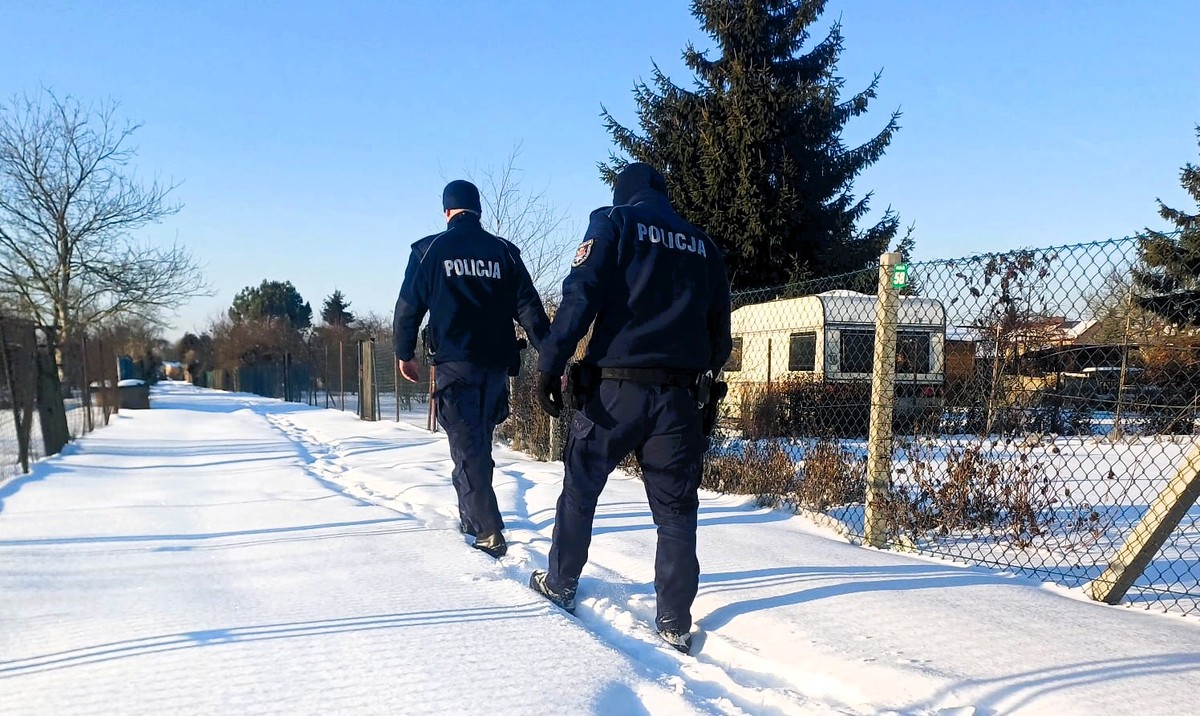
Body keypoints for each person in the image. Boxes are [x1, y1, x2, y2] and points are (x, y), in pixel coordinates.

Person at [528, 163, 732, 654]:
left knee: (581, 487)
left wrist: (549, 365)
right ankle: (674, 621)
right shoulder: (702, 244)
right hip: (679, 400)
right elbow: (720, 335)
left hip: (613, 392)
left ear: (625, 193)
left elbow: (579, 299)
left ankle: (561, 582)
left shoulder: (614, 222)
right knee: (677, 511)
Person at [393, 179, 550, 558]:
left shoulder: (428, 250)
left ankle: (487, 530)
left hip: (455, 364)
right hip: (496, 366)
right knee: (478, 443)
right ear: (478, 210)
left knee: (467, 448)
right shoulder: (505, 252)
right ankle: (471, 515)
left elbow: (408, 306)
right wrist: (551, 354)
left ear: (447, 211)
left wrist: (404, 351)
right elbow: (530, 309)